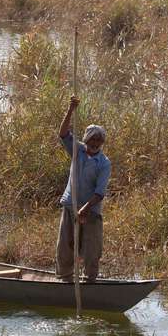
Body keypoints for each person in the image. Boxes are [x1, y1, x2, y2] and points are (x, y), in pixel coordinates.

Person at [56, 96, 111, 282]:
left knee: (91, 249)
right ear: (86, 139)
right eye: (92, 139)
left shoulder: (103, 163)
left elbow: (99, 192)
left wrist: (85, 209)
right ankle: (65, 278)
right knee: (66, 245)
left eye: (98, 141)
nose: (95, 143)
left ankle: (90, 280)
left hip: (91, 211)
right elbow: (63, 133)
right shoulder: (77, 150)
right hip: (70, 205)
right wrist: (71, 109)